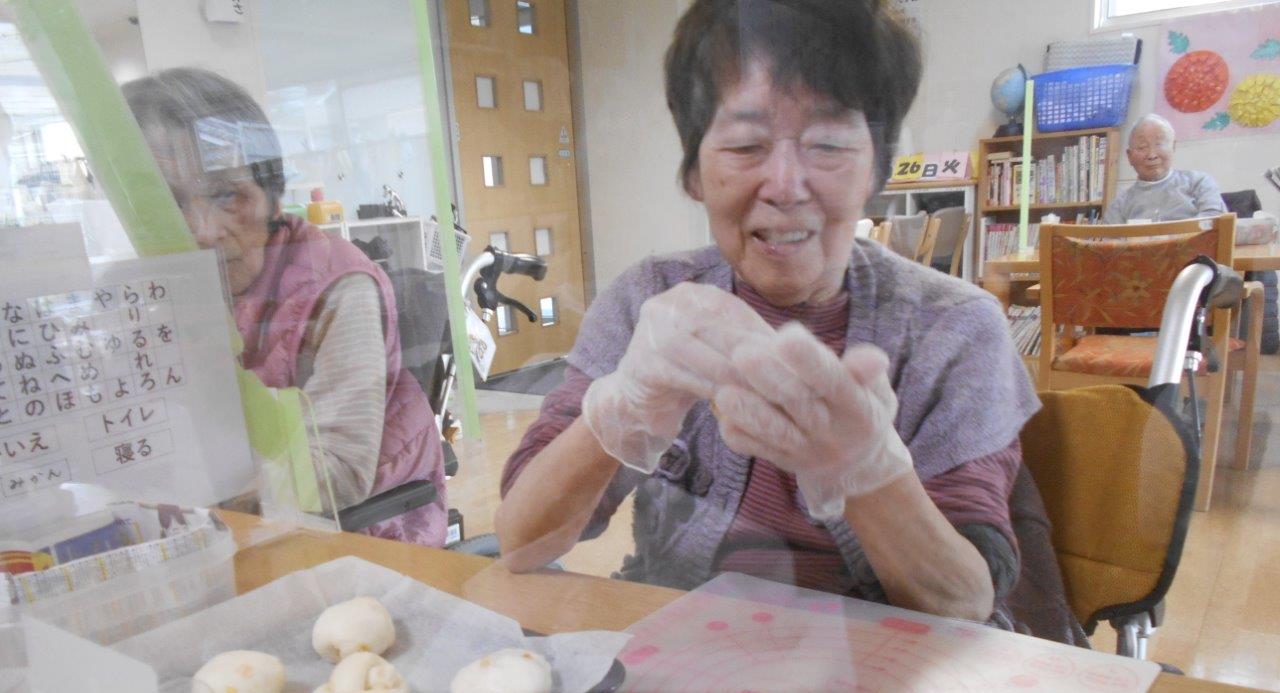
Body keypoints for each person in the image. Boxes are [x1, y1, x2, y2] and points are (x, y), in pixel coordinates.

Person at [496, 0, 1075, 636]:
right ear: (694, 172)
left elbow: (965, 600)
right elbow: (523, 544)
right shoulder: (649, 302)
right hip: (678, 662)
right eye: (745, 144)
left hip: (880, 683)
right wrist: (621, 409)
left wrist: (866, 469)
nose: (785, 183)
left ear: (877, 169)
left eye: (827, 143)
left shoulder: (954, 329)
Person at [123, 68, 447, 546]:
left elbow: (339, 470)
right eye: (168, 203)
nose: (202, 232)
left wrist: (193, 484)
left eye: (226, 194)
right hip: (230, 527)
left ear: (272, 196)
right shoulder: (149, 293)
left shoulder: (339, 286)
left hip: (359, 533)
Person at [1102, 114, 1226, 224]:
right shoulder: (1119, 205)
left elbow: (1216, 221)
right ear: (1129, 156)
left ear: (1173, 147)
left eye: (1159, 144)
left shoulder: (1199, 182)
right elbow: (1110, 244)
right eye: (1142, 147)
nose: (1152, 155)